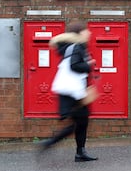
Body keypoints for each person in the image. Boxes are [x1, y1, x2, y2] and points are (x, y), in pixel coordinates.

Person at [41, 22, 98, 162]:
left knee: (82, 121)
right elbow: (75, 65)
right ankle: (50, 143)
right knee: (77, 123)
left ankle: (80, 152)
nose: (89, 33)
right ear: (79, 33)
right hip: (73, 92)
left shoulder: (70, 47)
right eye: (86, 31)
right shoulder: (77, 47)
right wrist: (89, 65)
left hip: (73, 91)